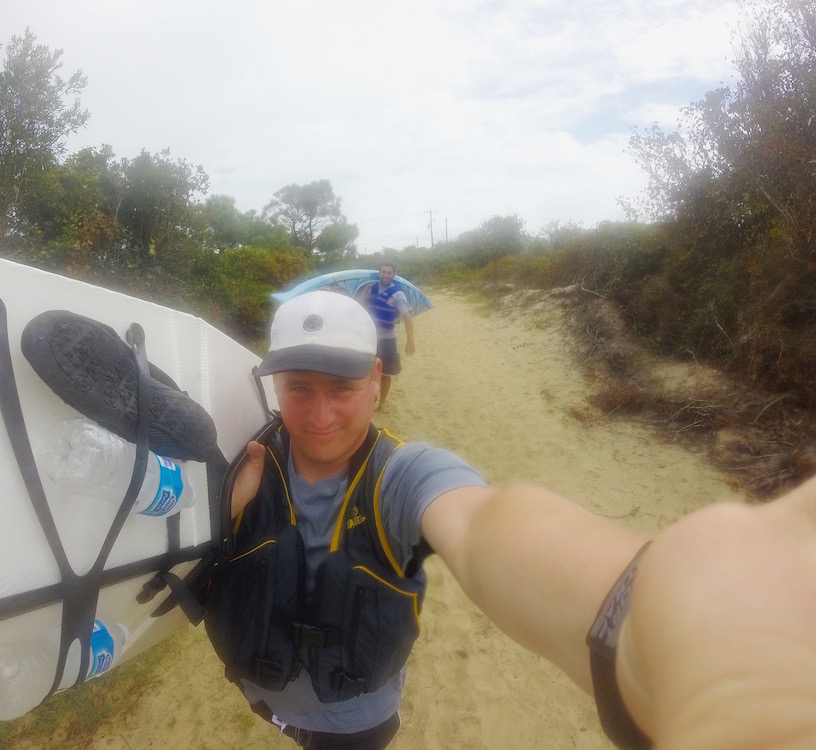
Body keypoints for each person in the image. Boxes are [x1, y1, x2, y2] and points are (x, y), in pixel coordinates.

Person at [204, 290, 816, 750]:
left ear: (376, 383)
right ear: (273, 388)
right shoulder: (240, 463)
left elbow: (482, 525)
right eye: (297, 388)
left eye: (339, 387)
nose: (316, 415)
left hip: (352, 723)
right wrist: (220, 512)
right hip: (258, 692)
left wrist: (640, 629)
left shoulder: (404, 475)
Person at [359, 262, 415, 412]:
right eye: (383, 272)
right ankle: (371, 398)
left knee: (386, 373)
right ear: (379, 273)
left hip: (388, 340)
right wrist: (363, 293)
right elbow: (358, 305)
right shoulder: (370, 287)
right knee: (368, 371)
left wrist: (410, 341)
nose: (386, 275)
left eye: (389, 272)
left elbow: (407, 318)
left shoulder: (398, 294)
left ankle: (382, 402)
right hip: (369, 337)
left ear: (393, 275)